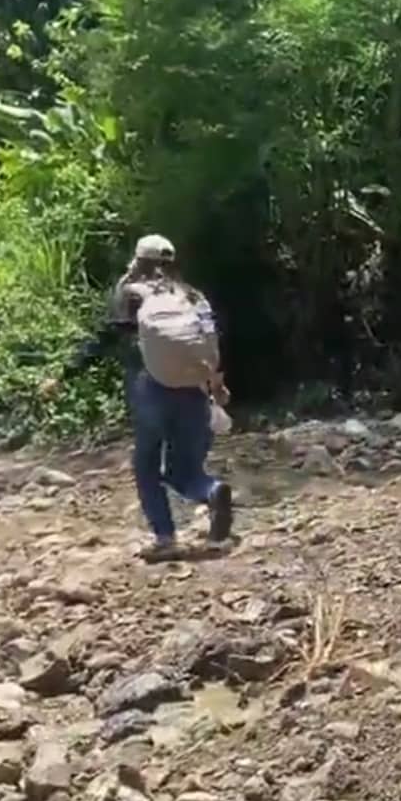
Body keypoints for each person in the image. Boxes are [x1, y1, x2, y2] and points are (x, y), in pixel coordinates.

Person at [47, 235, 233, 561]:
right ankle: (212, 491)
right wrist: (216, 386)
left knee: (146, 464)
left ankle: (165, 538)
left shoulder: (132, 295)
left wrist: (64, 376)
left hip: (149, 387)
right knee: (183, 470)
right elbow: (208, 344)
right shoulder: (188, 294)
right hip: (193, 388)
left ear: (139, 260)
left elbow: (105, 338)